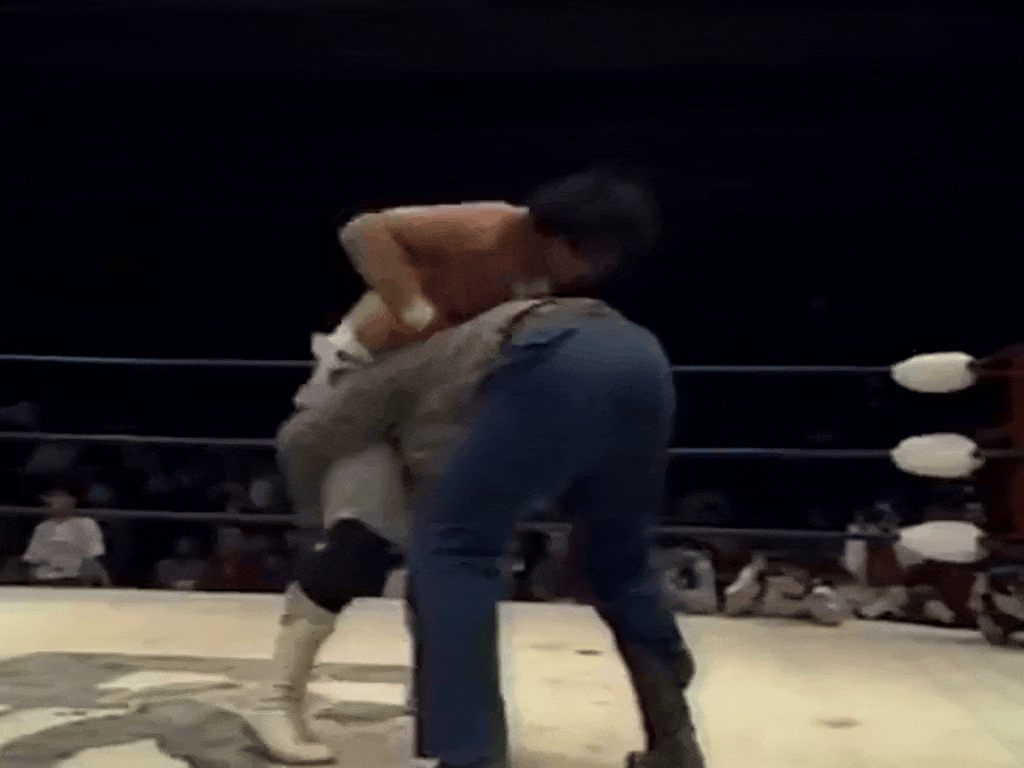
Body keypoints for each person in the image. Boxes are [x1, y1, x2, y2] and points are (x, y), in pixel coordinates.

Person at [250, 165, 704, 768]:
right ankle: (277, 698)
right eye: (592, 252)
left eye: (609, 258)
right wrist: (414, 314)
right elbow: (365, 231)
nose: (597, 270)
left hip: (463, 393)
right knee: (372, 545)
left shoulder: (544, 287)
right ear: (559, 233)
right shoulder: (493, 229)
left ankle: (451, 716)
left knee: (445, 552)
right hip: (379, 386)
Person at [21, 485, 109, 587]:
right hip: (47, 576)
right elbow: (34, 558)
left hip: (78, 576)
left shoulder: (87, 524)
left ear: (71, 502)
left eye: (60, 499)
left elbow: (93, 554)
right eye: (52, 501)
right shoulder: (42, 527)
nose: (56, 504)